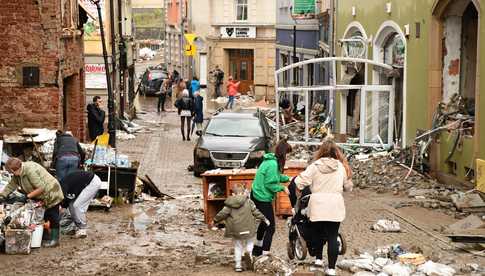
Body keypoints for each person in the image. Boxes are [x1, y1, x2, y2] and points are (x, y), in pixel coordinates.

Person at [294, 140, 353, 275]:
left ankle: (319, 261)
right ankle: (331, 269)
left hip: (318, 205)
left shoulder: (314, 166)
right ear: (336, 152)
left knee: (317, 234)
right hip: (335, 204)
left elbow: (299, 181)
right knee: (332, 236)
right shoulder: (340, 167)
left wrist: (298, 191)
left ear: (321, 151)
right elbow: (348, 187)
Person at [0, 158, 64, 247]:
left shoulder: (30, 171)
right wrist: (2, 195)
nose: (11, 174)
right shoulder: (18, 174)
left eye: (11, 172)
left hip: (51, 192)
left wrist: (27, 196)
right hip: (40, 196)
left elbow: (41, 188)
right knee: (41, 215)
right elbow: (11, 185)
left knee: (52, 215)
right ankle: (44, 236)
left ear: (14, 169)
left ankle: (54, 240)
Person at [213, 185, 269, 272]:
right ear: (244, 192)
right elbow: (256, 212)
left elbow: (222, 214)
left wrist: (215, 220)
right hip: (248, 228)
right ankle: (248, 253)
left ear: (232, 193)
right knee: (250, 242)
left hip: (236, 230)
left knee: (238, 246)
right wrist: (264, 218)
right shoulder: (249, 202)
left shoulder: (229, 204)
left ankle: (238, 265)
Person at [251, 139, 292, 256]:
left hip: (256, 194)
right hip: (262, 197)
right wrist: (282, 188)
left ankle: (257, 249)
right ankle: (265, 254)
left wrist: (287, 179)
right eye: (288, 154)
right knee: (271, 226)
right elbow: (270, 184)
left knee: (264, 222)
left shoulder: (269, 160)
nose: (288, 157)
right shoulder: (273, 164)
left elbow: (276, 176)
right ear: (284, 154)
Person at [60, 170, 101, 238]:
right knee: (71, 205)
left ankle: (82, 229)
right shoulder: (62, 185)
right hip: (86, 182)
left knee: (78, 206)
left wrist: (62, 206)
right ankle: (74, 227)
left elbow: (68, 198)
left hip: (92, 182)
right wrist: (63, 206)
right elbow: (67, 202)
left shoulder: (64, 187)